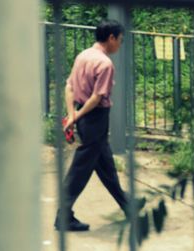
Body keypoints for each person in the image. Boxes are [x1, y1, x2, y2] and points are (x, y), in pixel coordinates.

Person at [54, 19, 145, 231]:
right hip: (94, 117)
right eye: (120, 41)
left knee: (106, 165)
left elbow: (69, 86)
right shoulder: (105, 64)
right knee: (81, 169)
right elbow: (96, 98)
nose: (120, 45)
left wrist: (72, 114)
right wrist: (75, 116)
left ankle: (127, 205)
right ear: (111, 38)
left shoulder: (83, 55)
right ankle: (63, 216)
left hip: (84, 116)